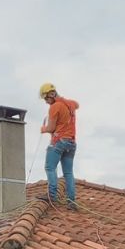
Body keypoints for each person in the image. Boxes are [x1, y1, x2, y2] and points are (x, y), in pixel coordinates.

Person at [38, 82, 80, 210]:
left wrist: (43, 129)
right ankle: (71, 202)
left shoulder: (54, 107)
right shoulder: (70, 104)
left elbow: (51, 128)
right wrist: (66, 102)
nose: (46, 102)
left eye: (46, 98)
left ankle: (52, 196)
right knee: (68, 173)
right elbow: (77, 104)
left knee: (50, 168)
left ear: (51, 94)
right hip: (71, 143)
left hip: (59, 142)